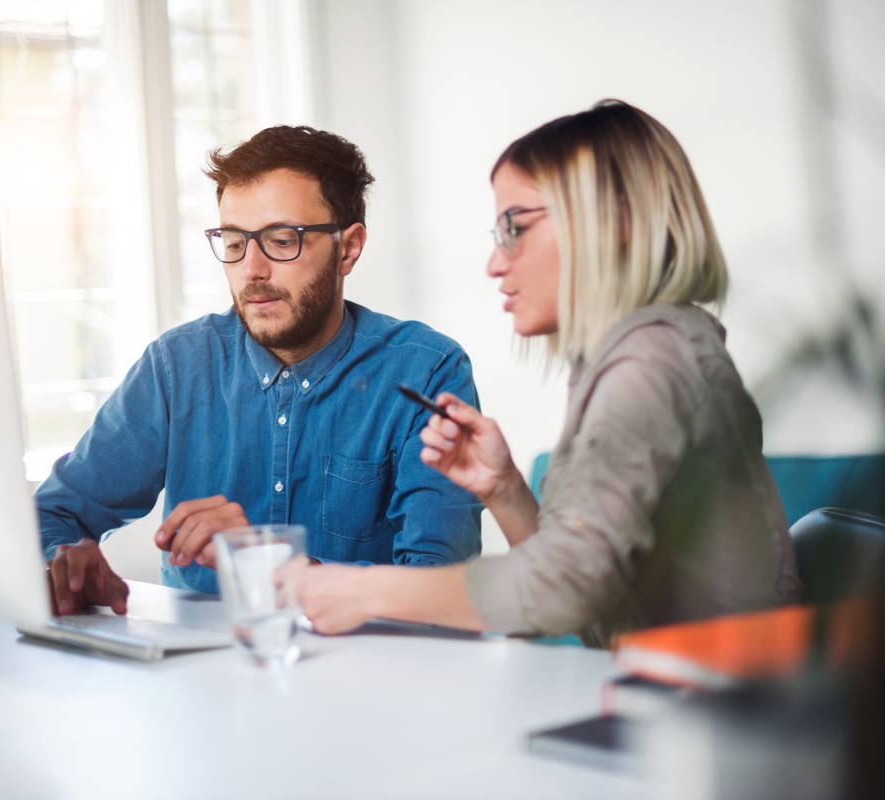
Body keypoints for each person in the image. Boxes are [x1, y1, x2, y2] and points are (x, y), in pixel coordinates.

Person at [286, 100, 803, 646]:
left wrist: (362, 591)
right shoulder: (637, 351)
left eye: (515, 226)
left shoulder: (651, 363)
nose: (495, 262)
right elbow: (590, 590)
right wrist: (504, 488)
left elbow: (563, 588)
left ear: (616, 220)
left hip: (724, 711)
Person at [37, 126, 482, 616]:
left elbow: (446, 594)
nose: (251, 269)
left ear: (348, 249)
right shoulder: (177, 367)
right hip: (199, 679)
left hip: (362, 680)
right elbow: (54, 512)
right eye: (233, 241)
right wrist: (64, 563)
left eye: (281, 240)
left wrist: (271, 562)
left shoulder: (426, 372)